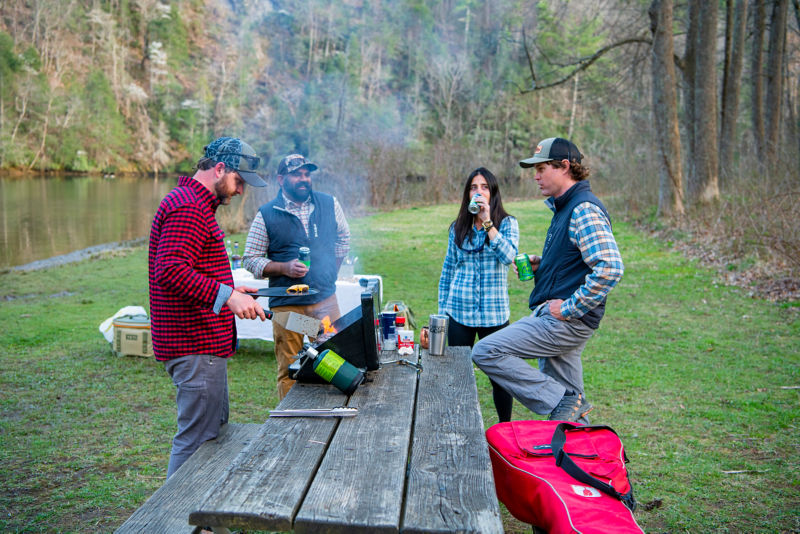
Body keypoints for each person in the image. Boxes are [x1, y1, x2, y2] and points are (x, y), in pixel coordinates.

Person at [471, 137, 624, 423]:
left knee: (487, 350)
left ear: (564, 167)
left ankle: (562, 399)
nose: (536, 176)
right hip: (566, 319)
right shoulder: (565, 207)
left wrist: (567, 309)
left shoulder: (583, 209)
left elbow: (610, 268)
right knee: (570, 416)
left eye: (542, 169)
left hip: (564, 321)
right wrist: (543, 265)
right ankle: (582, 458)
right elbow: (577, 261)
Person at [149, 136, 269, 478]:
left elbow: (190, 267)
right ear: (219, 169)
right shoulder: (188, 205)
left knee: (211, 436)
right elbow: (170, 269)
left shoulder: (193, 203)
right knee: (197, 441)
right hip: (193, 344)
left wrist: (230, 288)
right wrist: (228, 297)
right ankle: (181, 524)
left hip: (202, 344)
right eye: (238, 181)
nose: (240, 192)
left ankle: (203, 525)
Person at [243, 154, 350, 399]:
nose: (303, 179)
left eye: (306, 174)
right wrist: (283, 268)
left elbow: (344, 239)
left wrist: (329, 272)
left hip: (325, 301)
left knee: (334, 360)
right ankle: (289, 420)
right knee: (291, 368)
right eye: (296, 174)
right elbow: (250, 258)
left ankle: (331, 415)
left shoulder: (329, 204)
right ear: (281, 179)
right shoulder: (267, 214)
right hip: (288, 308)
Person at [438, 167, 519, 423]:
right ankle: (460, 424)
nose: (479, 192)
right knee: (458, 375)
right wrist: (441, 316)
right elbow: (448, 270)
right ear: (467, 194)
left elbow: (508, 257)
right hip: (459, 312)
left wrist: (487, 224)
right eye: (474, 187)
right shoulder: (458, 228)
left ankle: (505, 428)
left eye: (484, 187)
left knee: (501, 377)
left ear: (492, 193)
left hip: (494, 314)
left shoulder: (507, 223)